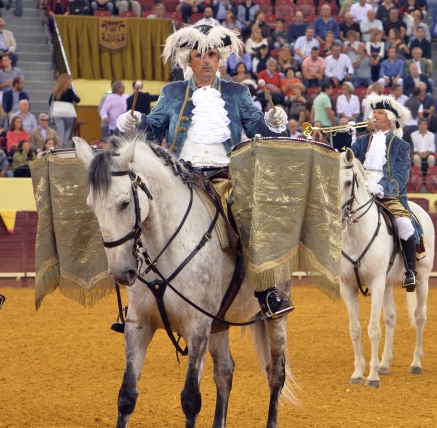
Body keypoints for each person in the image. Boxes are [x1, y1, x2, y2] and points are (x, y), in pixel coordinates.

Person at [117, 23, 293, 318]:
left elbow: (257, 128)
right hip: (178, 175)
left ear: (219, 59)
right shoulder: (172, 92)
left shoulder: (237, 93)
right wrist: (135, 122)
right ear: (189, 60)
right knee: (138, 214)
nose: (207, 60)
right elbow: (153, 128)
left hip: (223, 175)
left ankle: (266, 291)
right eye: (200, 55)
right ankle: (139, 297)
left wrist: (273, 122)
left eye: (212, 54)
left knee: (248, 218)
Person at [350, 95, 419, 291]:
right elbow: (348, 158)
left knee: (405, 224)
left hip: (387, 192)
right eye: (374, 112)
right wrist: (345, 138)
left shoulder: (401, 145)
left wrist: (380, 187)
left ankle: (410, 271)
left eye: (379, 112)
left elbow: (400, 175)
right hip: (360, 187)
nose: (374, 115)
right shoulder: (363, 141)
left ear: (389, 119)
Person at [49, 73, 79, 146]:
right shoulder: (69, 90)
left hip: (57, 113)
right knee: (67, 131)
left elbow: (50, 102)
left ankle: (59, 147)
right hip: (68, 114)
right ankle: (64, 147)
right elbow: (77, 100)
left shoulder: (55, 91)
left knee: (60, 132)